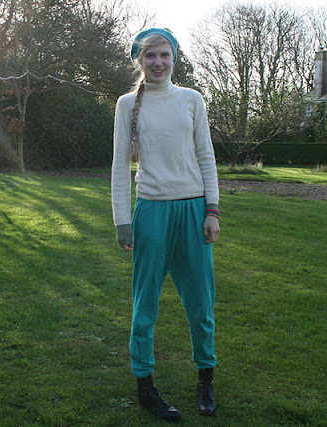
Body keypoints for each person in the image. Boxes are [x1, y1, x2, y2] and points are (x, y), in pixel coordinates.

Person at [111, 28, 220, 421]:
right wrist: (122, 220)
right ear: (139, 60)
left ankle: (206, 379)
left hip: (193, 212)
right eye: (149, 56)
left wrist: (212, 210)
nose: (157, 62)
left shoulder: (192, 99)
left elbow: (206, 156)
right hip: (151, 214)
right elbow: (119, 166)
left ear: (174, 57)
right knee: (145, 305)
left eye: (164, 55)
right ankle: (145, 384)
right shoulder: (127, 104)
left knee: (201, 304)